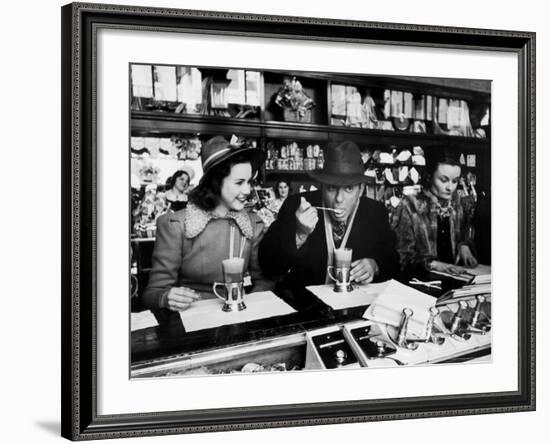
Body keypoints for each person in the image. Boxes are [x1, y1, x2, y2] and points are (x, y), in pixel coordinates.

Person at [142, 136, 267, 312]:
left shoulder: (253, 223)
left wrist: (251, 307)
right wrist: (165, 297)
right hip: (192, 321)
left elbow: (264, 281)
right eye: (239, 182)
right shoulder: (176, 224)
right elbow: (151, 293)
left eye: (250, 182)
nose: (247, 190)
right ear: (215, 183)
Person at [259, 141, 399, 288]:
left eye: (349, 189)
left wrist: (375, 265)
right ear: (322, 185)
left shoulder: (375, 212)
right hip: (307, 306)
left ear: (361, 189)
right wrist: (299, 235)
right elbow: (268, 266)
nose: (339, 199)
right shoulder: (296, 206)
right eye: (332, 188)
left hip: (354, 306)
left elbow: (393, 261)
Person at [391, 150, 478, 275]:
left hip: (455, 280)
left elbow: (465, 236)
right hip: (420, 284)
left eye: (455, 181)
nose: (450, 188)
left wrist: (464, 246)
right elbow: (401, 257)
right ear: (429, 176)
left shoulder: (458, 205)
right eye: (443, 180)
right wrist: (434, 265)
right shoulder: (410, 206)